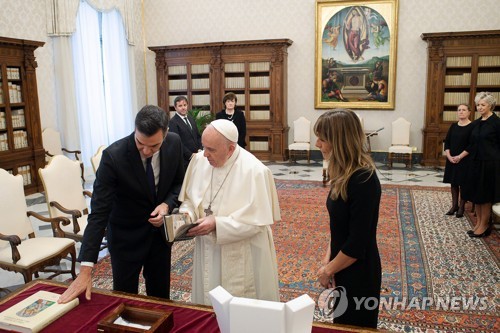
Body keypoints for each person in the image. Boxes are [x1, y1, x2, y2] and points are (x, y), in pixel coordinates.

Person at [58, 105, 185, 304]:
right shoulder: (113, 157)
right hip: (126, 238)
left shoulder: (174, 143)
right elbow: (99, 213)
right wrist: (86, 268)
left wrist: (167, 205)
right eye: (141, 143)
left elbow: (179, 182)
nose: (146, 151)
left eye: (154, 146)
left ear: (166, 134)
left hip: (159, 238)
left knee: (160, 300)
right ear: (134, 130)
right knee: (124, 301)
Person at [178, 119, 280, 305]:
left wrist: (217, 224)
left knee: (239, 308)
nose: (205, 154)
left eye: (212, 150)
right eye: (204, 147)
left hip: (241, 253)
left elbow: (256, 224)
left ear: (231, 149)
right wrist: (188, 216)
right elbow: (190, 200)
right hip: (207, 248)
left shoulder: (255, 171)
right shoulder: (200, 160)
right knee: (206, 303)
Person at [315, 109, 381, 328]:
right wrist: (329, 257)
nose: (317, 144)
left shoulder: (363, 179)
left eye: (322, 139)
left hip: (359, 272)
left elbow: (356, 244)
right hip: (343, 265)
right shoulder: (343, 172)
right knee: (342, 323)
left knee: (354, 325)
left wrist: (328, 270)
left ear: (339, 141)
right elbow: (340, 227)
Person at [463, 92, 500, 238]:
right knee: (476, 195)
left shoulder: (496, 123)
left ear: (490, 105)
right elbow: (472, 144)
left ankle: (485, 225)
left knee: (485, 197)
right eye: (478, 104)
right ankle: (479, 223)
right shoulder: (476, 123)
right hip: (476, 163)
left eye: (483, 104)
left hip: (490, 164)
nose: (479, 107)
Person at [443, 104, 474, 218]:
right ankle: (454, 205)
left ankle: (461, 207)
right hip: (452, 159)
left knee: (463, 183)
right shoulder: (453, 126)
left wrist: (460, 157)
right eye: (459, 110)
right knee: (454, 182)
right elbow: (447, 142)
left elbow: (472, 145)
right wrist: (449, 156)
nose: (461, 112)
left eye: (464, 110)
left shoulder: (472, 126)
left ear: (469, 112)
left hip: (465, 159)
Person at [169, 96, 202, 169]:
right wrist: (190, 155)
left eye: (185, 105)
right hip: (185, 160)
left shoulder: (191, 118)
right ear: (175, 107)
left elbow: (198, 136)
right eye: (180, 106)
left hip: (197, 156)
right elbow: (177, 143)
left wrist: (200, 149)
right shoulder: (173, 122)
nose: (183, 108)